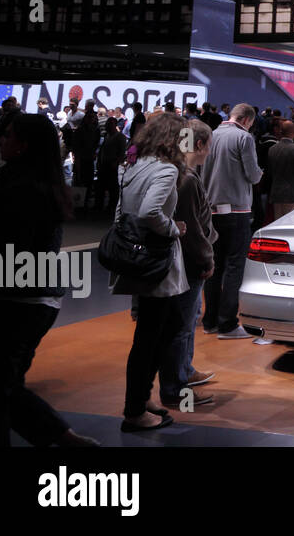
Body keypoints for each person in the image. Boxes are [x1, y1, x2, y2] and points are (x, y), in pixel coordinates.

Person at [0, 114, 99, 447]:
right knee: (4, 385)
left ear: (24, 145)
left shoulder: (18, 187)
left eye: (8, 135)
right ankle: (63, 437)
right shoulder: (39, 182)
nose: (1, 140)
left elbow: (7, 245)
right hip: (34, 298)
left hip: (16, 299)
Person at [111, 113, 190, 431]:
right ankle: (134, 409)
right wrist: (175, 229)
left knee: (163, 327)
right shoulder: (167, 169)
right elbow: (150, 211)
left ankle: (142, 398)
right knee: (150, 336)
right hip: (156, 261)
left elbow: (121, 210)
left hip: (138, 256)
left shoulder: (134, 166)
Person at [162, 119, 218, 409]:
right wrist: (206, 259)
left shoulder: (179, 173)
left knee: (187, 320)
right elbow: (192, 230)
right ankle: (176, 389)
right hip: (187, 263)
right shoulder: (186, 179)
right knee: (181, 326)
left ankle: (184, 371)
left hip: (182, 262)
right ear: (199, 145)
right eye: (209, 145)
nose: (210, 151)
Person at [201, 103, 263, 339]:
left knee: (214, 267)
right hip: (237, 211)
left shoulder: (210, 135)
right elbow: (252, 174)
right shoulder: (244, 138)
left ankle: (210, 321)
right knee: (235, 266)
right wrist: (260, 173)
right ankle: (227, 323)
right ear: (247, 119)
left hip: (211, 211)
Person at [268, 119, 294, 220]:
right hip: (292, 194)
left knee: (277, 225)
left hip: (276, 194)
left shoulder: (272, 148)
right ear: (293, 132)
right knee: (291, 224)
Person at [95, 117, 126, 213]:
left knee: (113, 187)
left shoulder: (120, 137)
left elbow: (122, 152)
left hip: (112, 164)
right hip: (103, 164)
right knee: (101, 186)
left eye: (110, 124)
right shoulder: (106, 136)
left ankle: (111, 206)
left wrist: (117, 162)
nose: (107, 126)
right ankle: (99, 205)